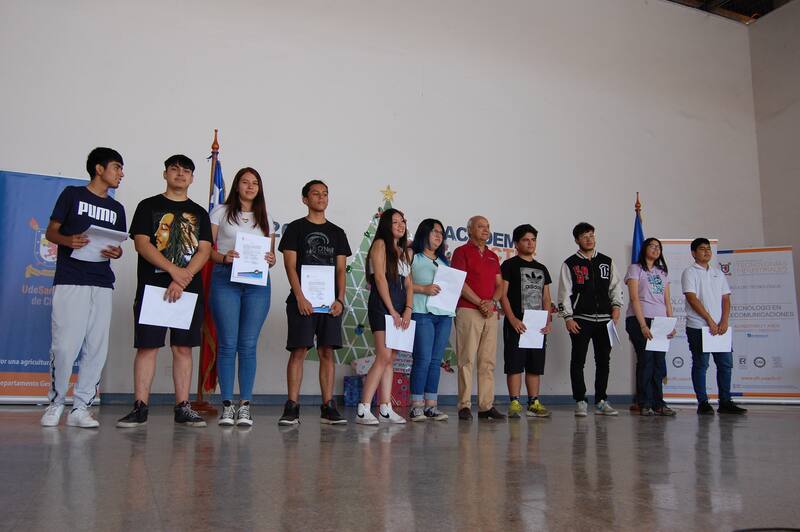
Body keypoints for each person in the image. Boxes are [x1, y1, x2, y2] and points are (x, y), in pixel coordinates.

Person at [117, 154, 212, 428]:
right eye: (174, 169)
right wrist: (173, 271)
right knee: (148, 347)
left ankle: (183, 406)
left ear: (192, 178)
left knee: (183, 349)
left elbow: (204, 249)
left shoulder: (200, 213)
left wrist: (184, 277)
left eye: (186, 171)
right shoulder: (148, 206)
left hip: (188, 289)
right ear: (165, 174)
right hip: (153, 286)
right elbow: (142, 244)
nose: (180, 174)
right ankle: (140, 406)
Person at [40, 147, 126, 428]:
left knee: (96, 347)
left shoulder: (117, 208)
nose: (120, 174)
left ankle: (82, 406)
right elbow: (51, 231)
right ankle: (56, 403)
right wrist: (68, 241)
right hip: (71, 278)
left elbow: (118, 246)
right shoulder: (72, 195)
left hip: (102, 282)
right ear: (99, 169)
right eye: (116, 167)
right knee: (65, 345)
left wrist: (116, 253)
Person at [277, 180, 351, 425]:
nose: (321, 197)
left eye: (325, 194)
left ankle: (328, 406)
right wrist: (300, 296)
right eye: (315, 194)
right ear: (304, 199)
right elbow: (289, 265)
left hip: (330, 304)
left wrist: (340, 299)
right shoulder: (295, 229)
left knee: (327, 351)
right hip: (302, 301)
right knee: (299, 351)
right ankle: (292, 406)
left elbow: (341, 270)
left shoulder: (337, 233)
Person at [209, 167, 276, 426]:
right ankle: (227, 404)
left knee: (248, 345)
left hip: (256, 285)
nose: (250, 186)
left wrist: (271, 259)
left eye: (255, 183)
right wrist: (224, 257)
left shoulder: (267, 217)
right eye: (245, 182)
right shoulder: (220, 212)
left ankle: (245, 405)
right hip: (225, 279)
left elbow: (271, 258)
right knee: (227, 343)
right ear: (237, 185)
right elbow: (207, 249)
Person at [557, 222, 623, 417]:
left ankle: (602, 400)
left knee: (604, 360)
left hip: (605, 320)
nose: (589, 239)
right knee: (578, 360)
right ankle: (580, 400)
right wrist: (568, 317)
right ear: (577, 240)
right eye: (584, 236)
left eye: (591, 235)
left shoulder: (606, 261)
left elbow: (615, 287)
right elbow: (564, 293)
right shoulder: (570, 263)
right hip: (580, 320)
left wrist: (616, 308)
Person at [356, 208, 414, 425]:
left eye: (403, 221)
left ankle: (385, 408)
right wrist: (392, 309)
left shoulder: (404, 251)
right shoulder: (380, 244)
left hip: (400, 307)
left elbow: (409, 284)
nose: (400, 225)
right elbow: (380, 278)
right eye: (395, 222)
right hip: (382, 305)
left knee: (391, 359)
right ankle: (363, 408)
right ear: (386, 225)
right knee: (383, 356)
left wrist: (407, 308)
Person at [681, 238, 747, 415]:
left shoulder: (718, 273)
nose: (706, 252)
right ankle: (703, 403)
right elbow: (692, 298)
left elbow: (726, 298)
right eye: (702, 249)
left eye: (708, 249)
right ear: (694, 253)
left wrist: (724, 321)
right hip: (699, 326)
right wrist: (709, 320)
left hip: (720, 328)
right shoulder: (690, 272)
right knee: (701, 364)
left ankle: (725, 401)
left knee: (725, 365)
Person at [451, 215, 505, 420]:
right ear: (469, 230)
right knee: (466, 359)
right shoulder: (461, 252)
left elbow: (500, 285)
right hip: (467, 310)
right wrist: (480, 302)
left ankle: (485, 406)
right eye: (481, 226)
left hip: (490, 312)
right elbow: (459, 283)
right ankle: (464, 405)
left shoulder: (493, 256)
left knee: (487, 361)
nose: (486, 230)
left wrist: (491, 303)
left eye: (488, 226)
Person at [499, 224, 553, 419]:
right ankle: (514, 402)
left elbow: (546, 298)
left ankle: (534, 402)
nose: (530, 243)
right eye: (525, 240)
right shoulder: (509, 265)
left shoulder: (542, 268)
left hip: (537, 324)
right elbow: (502, 295)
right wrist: (512, 319)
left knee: (534, 364)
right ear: (516, 243)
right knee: (514, 363)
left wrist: (548, 321)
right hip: (517, 322)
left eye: (533, 240)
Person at [624, 238, 677, 416]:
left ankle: (658, 402)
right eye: (652, 246)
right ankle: (644, 402)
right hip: (640, 319)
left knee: (659, 363)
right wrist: (642, 325)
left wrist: (671, 323)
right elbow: (634, 298)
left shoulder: (662, 272)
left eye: (658, 247)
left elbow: (667, 301)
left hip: (660, 321)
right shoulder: (635, 269)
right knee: (646, 360)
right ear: (644, 248)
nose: (655, 249)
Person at [407, 218, 452, 422]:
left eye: (441, 233)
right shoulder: (412, 256)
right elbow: (401, 283)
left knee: (435, 361)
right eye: (434, 231)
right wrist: (422, 289)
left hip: (443, 315)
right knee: (423, 359)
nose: (438, 236)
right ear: (424, 232)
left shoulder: (444, 261)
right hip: (421, 312)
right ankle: (416, 405)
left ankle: (431, 405)